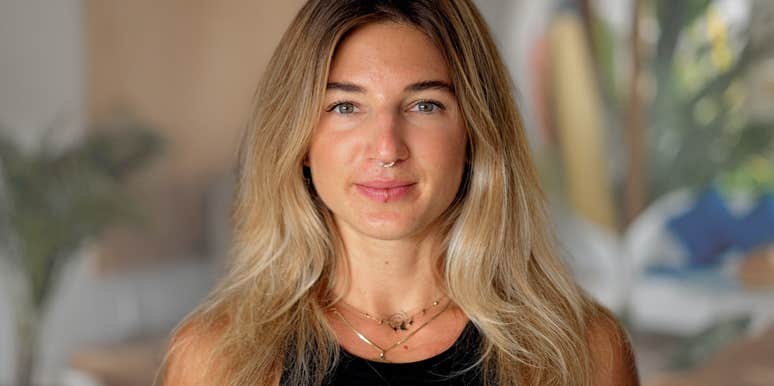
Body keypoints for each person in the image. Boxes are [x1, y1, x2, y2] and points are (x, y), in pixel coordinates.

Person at [161, 1, 639, 385]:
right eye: (346, 106)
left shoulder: (583, 353)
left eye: (424, 104)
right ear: (299, 139)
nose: (387, 148)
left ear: (473, 133)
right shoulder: (214, 361)